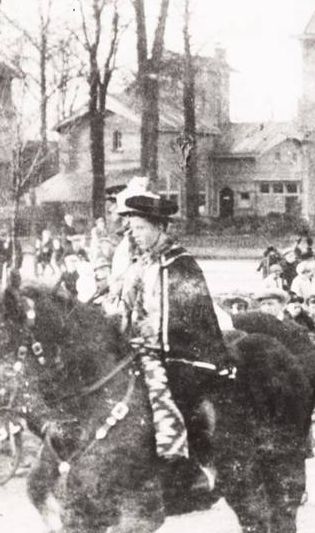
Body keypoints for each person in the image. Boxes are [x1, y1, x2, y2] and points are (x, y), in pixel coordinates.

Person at [104, 190, 232, 491]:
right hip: (142, 347)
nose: (135, 235)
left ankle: (187, 464)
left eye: (141, 228)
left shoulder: (180, 264)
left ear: (160, 227)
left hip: (180, 349)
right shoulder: (140, 265)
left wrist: (151, 341)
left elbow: (186, 313)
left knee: (163, 389)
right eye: (132, 229)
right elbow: (127, 308)